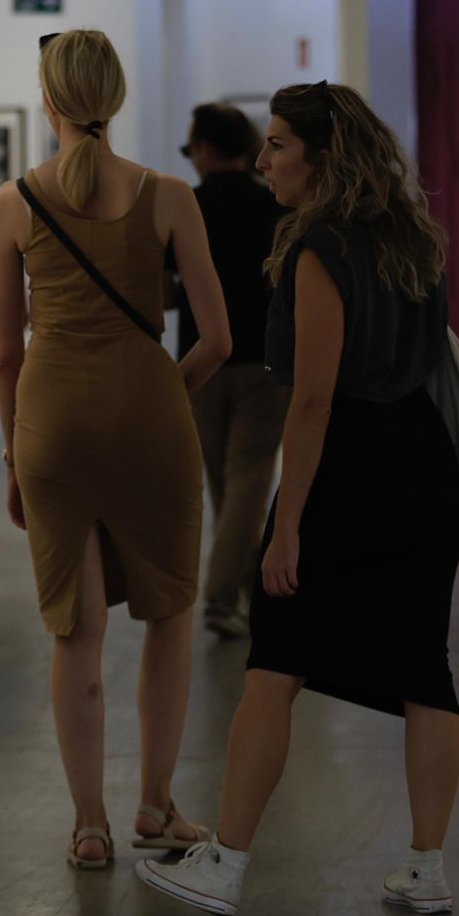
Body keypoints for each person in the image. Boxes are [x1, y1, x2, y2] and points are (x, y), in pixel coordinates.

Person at [137, 81, 459, 916]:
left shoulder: (322, 248)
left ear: (322, 159)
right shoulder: (414, 238)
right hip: (426, 467)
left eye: (279, 145)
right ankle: (427, 869)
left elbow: (315, 400)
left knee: (275, 661)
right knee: (426, 669)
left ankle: (227, 864)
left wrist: (286, 527)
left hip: (351, 470)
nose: (263, 160)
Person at [0, 29, 232, 871]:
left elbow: (7, 353)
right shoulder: (168, 196)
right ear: (115, 99)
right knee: (168, 614)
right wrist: (166, 396)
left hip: (52, 421)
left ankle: (88, 825)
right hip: (149, 420)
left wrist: (19, 458)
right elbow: (218, 340)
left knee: (74, 632)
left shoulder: (12, 204)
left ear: (48, 102)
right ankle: (156, 807)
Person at [171, 102, 288, 640]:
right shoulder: (273, 207)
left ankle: (224, 597)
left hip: (202, 363)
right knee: (248, 482)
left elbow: (165, 290)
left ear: (205, 148)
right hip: (263, 361)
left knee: (225, 486)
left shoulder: (187, 208)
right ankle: (235, 597)